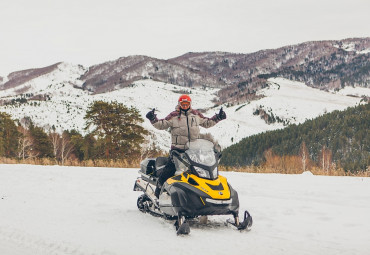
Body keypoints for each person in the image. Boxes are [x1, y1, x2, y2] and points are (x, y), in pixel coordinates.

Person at [145, 94, 226, 198]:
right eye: (182, 104)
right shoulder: (174, 115)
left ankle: (198, 196)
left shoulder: (196, 114)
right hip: (178, 152)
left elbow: (207, 122)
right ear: (179, 104)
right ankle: (157, 194)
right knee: (168, 172)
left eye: (186, 103)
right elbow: (162, 124)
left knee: (199, 173)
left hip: (194, 151)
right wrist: (153, 119)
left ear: (190, 104)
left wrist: (218, 117)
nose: (184, 106)